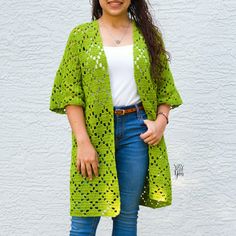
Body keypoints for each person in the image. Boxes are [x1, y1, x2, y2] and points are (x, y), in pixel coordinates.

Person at [49, 0, 183, 235]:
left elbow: (165, 88)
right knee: (83, 220)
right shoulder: (81, 36)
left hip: (136, 131)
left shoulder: (147, 35)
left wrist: (161, 122)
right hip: (93, 134)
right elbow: (70, 93)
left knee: (127, 217)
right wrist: (83, 142)